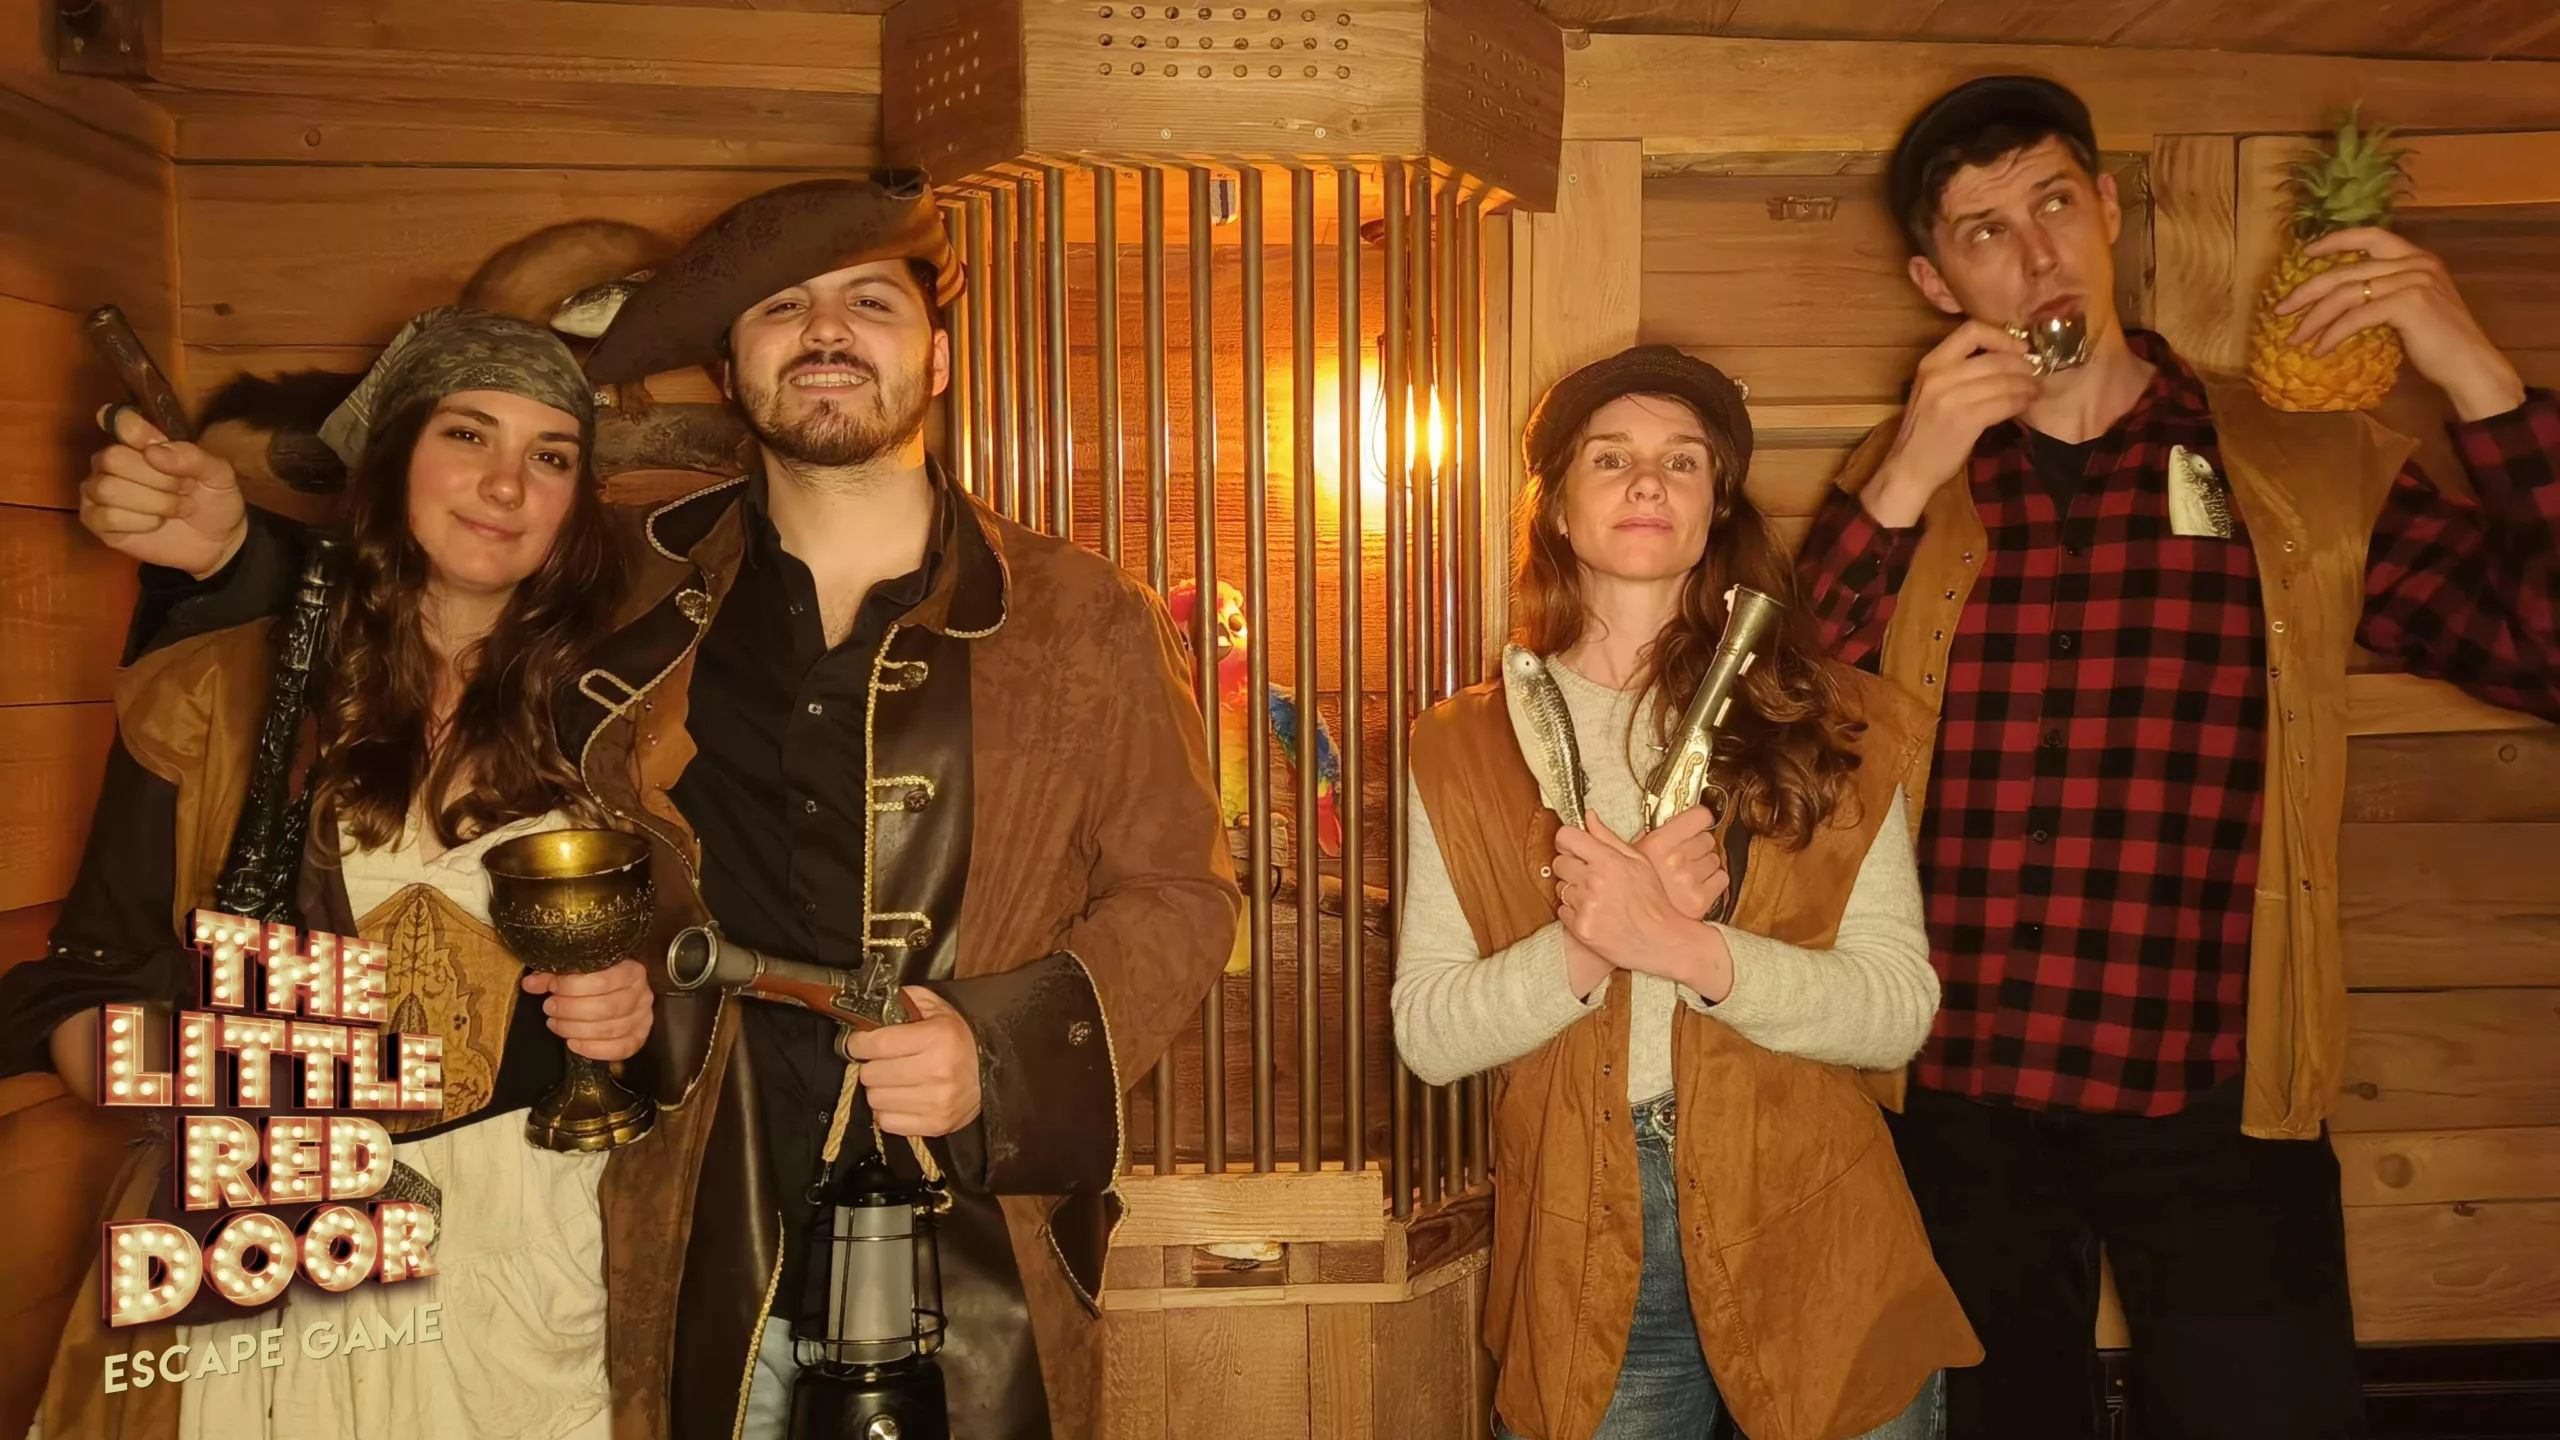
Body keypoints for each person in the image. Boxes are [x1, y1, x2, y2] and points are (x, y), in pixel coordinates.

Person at [75, 173, 1242, 1440]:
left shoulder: (1085, 618)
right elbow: (422, 589)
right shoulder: (628, 578)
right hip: (676, 1216)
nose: (826, 329)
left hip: (970, 1227)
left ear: (939, 356)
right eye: (780, 307)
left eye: (870, 301)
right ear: (730, 372)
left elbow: (1179, 896)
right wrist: (233, 557)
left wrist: (994, 1051)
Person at [1794, 76, 2560, 1440]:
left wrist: (2478, 379)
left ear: (2107, 210)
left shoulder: (2300, 465)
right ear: (1936, 282)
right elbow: (1777, 724)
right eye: (1984, 232)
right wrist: (1904, 473)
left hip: (2216, 1087)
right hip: (1949, 1094)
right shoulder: (1904, 472)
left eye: (2053, 203)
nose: (2036, 254)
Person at [5, 309, 655, 1439]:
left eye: (550, 456)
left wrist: (634, 1006)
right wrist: (208, 1082)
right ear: (393, 455)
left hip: (536, 1242)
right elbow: (77, 981)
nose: (507, 484)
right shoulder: (222, 698)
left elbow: (702, 973)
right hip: (284, 1252)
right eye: (467, 434)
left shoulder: (631, 716)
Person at [1394, 346, 1980, 1440]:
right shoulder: (1459, 744)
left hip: (1815, 1221)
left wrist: (1683, 946)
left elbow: (1896, 1010)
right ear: (1556, 507)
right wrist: (1591, 942)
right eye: (1610, 458)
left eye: (1681, 461)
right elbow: (1430, 1034)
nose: (1647, 482)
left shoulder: (1837, 721)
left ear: (1716, 507)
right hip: (1583, 1238)